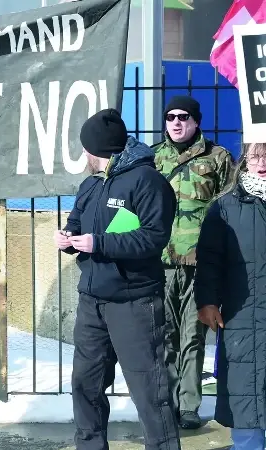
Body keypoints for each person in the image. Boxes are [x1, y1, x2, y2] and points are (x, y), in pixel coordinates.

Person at [53, 109, 181, 450]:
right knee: (85, 384)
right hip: (92, 300)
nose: (84, 157)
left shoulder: (147, 181)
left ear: (98, 150)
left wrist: (100, 242)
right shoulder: (90, 184)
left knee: (149, 391)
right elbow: (77, 224)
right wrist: (67, 238)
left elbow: (154, 237)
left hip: (134, 302)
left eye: (86, 150)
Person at [152, 95, 233, 429]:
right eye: (170, 117)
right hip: (161, 262)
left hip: (200, 263)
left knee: (193, 337)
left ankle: (188, 406)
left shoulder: (217, 158)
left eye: (183, 117)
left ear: (196, 121)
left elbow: (230, 208)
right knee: (164, 336)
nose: (176, 122)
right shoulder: (153, 157)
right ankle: (167, 403)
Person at [195, 142, 266, 450]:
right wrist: (207, 301)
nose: (262, 163)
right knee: (246, 401)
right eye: (256, 155)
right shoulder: (225, 206)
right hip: (242, 316)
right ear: (245, 159)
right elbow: (210, 259)